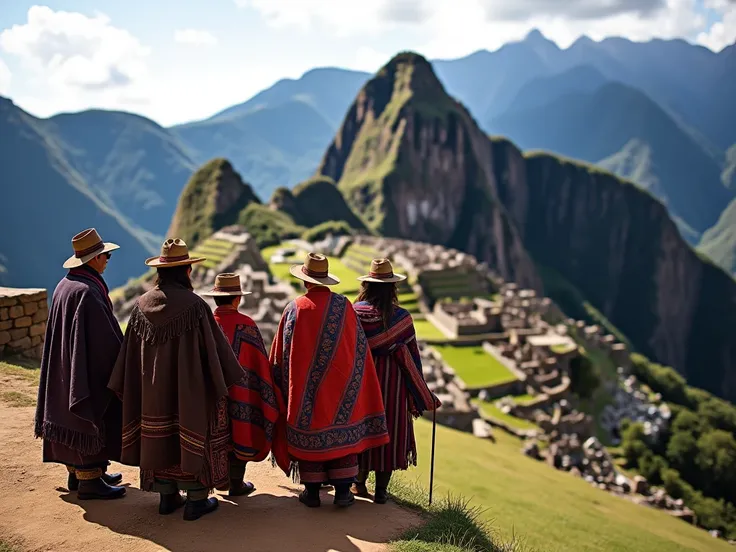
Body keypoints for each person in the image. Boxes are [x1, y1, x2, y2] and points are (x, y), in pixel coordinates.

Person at [109, 239, 249, 521]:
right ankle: (196, 498)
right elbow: (215, 353)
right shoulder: (195, 307)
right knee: (193, 428)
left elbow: (129, 357)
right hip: (189, 392)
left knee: (158, 434)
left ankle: (166, 495)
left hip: (151, 396)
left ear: (160, 272)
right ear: (186, 271)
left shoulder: (139, 307)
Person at [269, 252, 390, 508]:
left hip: (304, 390)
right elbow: (358, 348)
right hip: (341, 387)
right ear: (325, 280)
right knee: (341, 428)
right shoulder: (343, 305)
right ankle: (344, 491)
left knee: (310, 426)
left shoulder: (294, 309)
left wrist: (282, 384)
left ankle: (312, 492)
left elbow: (282, 354)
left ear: (305, 281)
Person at [34, 228, 126, 500]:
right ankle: (90, 481)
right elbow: (104, 341)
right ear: (94, 259)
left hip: (67, 367)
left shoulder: (67, 284)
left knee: (71, 413)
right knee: (90, 409)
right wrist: (123, 361)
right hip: (82, 368)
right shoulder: (87, 292)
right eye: (105, 255)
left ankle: (81, 473)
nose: (108, 259)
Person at [352, 258, 441, 504]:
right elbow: (413, 358)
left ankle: (358, 483)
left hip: (363, 382)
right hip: (394, 384)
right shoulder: (403, 319)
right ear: (393, 288)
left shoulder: (354, 313)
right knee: (391, 429)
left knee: (362, 427)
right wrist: (420, 392)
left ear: (367, 286)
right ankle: (381, 491)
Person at [202, 272, 280, 497]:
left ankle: (216, 479)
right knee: (240, 430)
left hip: (211, 397)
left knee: (214, 435)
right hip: (242, 397)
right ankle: (236, 482)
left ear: (215, 299)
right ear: (238, 299)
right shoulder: (247, 326)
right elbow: (260, 367)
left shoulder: (205, 325)